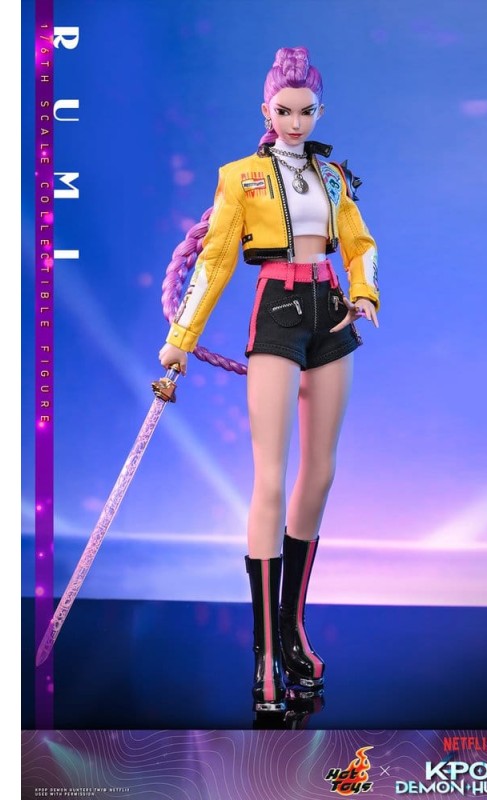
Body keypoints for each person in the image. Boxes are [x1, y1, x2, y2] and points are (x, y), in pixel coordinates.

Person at [159, 46, 380, 712]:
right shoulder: (242, 177)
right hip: (277, 310)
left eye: (306, 111)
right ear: (266, 111)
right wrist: (180, 339)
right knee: (271, 477)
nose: (295, 121)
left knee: (321, 473)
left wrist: (364, 290)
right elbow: (216, 261)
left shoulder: (332, 176)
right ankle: (263, 654)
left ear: (318, 111)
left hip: (330, 311)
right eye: (284, 110)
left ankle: (291, 631)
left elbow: (359, 242)